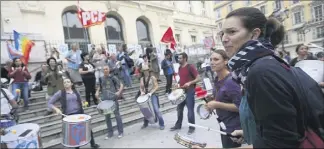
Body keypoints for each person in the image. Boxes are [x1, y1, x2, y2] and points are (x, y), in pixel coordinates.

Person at [220, 7, 322, 148]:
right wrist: (250, 133)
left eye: (232, 32)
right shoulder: (262, 64)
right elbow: (281, 120)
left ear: (255, 34)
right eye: (222, 33)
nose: (224, 39)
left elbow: (281, 143)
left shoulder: (261, 72)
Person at [204, 50, 242, 148]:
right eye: (211, 59)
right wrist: (212, 99)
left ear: (225, 61)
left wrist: (217, 104)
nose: (212, 62)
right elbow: (224, 97)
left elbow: (241, 106)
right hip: (223, 124)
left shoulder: (231, 81)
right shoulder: (217, 79)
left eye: (216, 59)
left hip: (235, 128)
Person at [48, 78, 99, 149]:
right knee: (75, 134)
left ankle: (93, 144)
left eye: (68, 82)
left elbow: (80, 100)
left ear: (71, 83)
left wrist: (83, 103)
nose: (66, 83)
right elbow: (50, 103)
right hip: (68, 116)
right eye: (64, 82)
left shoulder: (76, 91)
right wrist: (56, 109)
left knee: (88, 129)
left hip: (79, 113)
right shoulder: (60, 93)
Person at [170, 52, 200, 135]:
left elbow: (198, 78)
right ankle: (178, 125)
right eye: (178, 58)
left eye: (180, 58)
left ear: (185, 58)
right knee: (179, 109)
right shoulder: (179, 68)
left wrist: (190, 83)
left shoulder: (190, 67)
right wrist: (178, 83)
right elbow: (182, 78)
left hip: (190, 91)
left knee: (190, 110)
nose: (178, 59)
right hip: (182, 91)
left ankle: (191, 127)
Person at [95, 66, 124, 140]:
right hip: (105, 100)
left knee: (117, 115)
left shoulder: (113, 77)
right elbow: (99, 87)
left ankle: (120, 132)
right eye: (104, 69)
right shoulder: (101, 78)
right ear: (102, 70)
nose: (105, 70)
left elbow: (121, 85)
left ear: (109, 70)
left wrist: (119, 92)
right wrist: (97, 92)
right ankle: (110, 133)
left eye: (106, 69)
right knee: (107, 117)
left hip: (113, 99)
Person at [139, 64, 165, 130]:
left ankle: (161, 123)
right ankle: (146, 123)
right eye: (144, 71)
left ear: (148, 70)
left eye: (146, 70)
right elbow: (141, 87)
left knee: (156, 109)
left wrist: (151, 93)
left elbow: (156, 86)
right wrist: (142, 91)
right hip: (145, 95)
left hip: (153, 94)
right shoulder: (142, 79)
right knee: (145, 110)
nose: (145, 72)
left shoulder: (152, 77)